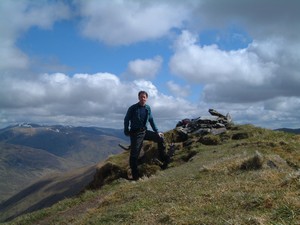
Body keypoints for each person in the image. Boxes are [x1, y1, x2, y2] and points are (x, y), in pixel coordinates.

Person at [124, 91, 170, 180]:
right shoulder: (133, 108)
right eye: (141, 97)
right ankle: (135, 176)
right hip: (136, 133)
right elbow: (126, 119)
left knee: (160, 138)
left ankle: (163, 158)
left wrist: (157, 131)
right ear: (138, 98)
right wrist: (126, 130)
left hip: (144, 131)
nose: (142, 98)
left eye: (144, 97)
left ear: (146, 98)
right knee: (134, 155)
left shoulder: (148, 108)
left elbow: (151, 120)